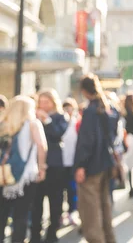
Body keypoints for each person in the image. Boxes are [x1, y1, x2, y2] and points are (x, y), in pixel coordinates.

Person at [74, 74, 120, 243]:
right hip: (106, 162)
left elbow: (87, 140)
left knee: (90, 212)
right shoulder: (108, 108)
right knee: (104, 206)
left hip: (92, 165)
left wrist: (81, 165)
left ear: (84, 91)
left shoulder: (91, 110)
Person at [0, 96, 48, 243]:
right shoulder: (33, 124)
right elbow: (41, 146)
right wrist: (42, 167)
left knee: (2, 215)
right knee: (21, 215)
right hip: (27, 176)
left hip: (4, 176)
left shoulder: (4, 124)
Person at [30, 89, 68, 243]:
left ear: (53, 102)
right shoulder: (33, 117)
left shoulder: (59, 117)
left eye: (47, 102)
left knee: (55, 201)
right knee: (36, 202)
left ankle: (52, 233)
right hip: (37, 165)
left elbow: (58, 133)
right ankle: (34, 234)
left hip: (55, 166)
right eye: (41, 102)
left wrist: (47, 121)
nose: (44, 105)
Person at [61, 98, 79, 226]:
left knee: (73, 189)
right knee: (62, 189)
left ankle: (73, 211)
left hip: (73, 161)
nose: (68, 110)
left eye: (70, 107)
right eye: (65, 108)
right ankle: (62, 213)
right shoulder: (60, 123)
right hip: (61, 162)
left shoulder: (77, 122)